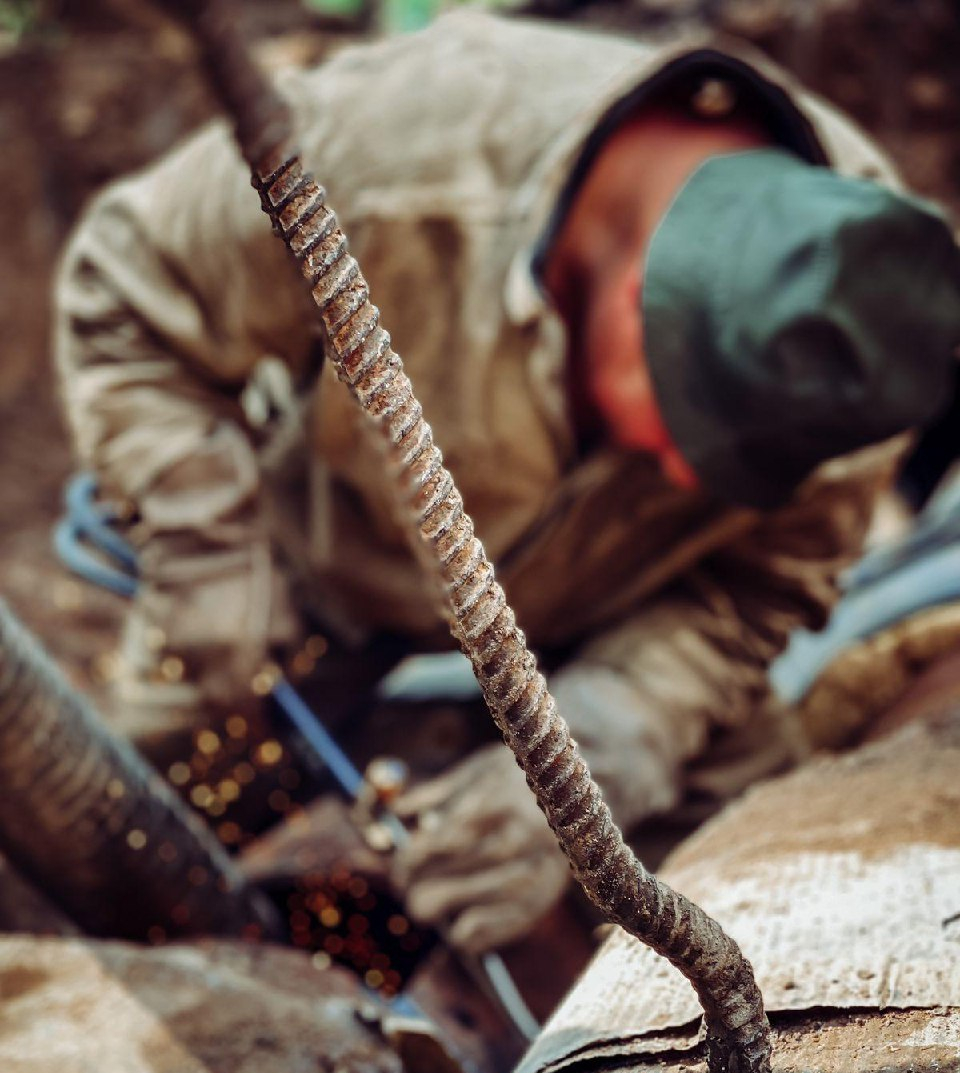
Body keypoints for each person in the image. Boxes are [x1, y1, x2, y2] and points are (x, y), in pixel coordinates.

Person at [55, 11, 960, 956]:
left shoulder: (874, 335)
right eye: (694, 430)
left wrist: (607, 747)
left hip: (626, 610)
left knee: (765, 890)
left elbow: (750, 592)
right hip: (313, 568)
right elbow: (126, 290)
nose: (690, 481)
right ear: (630, 297)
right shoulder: (392, 154)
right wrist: (205, 542)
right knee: (127, 821)